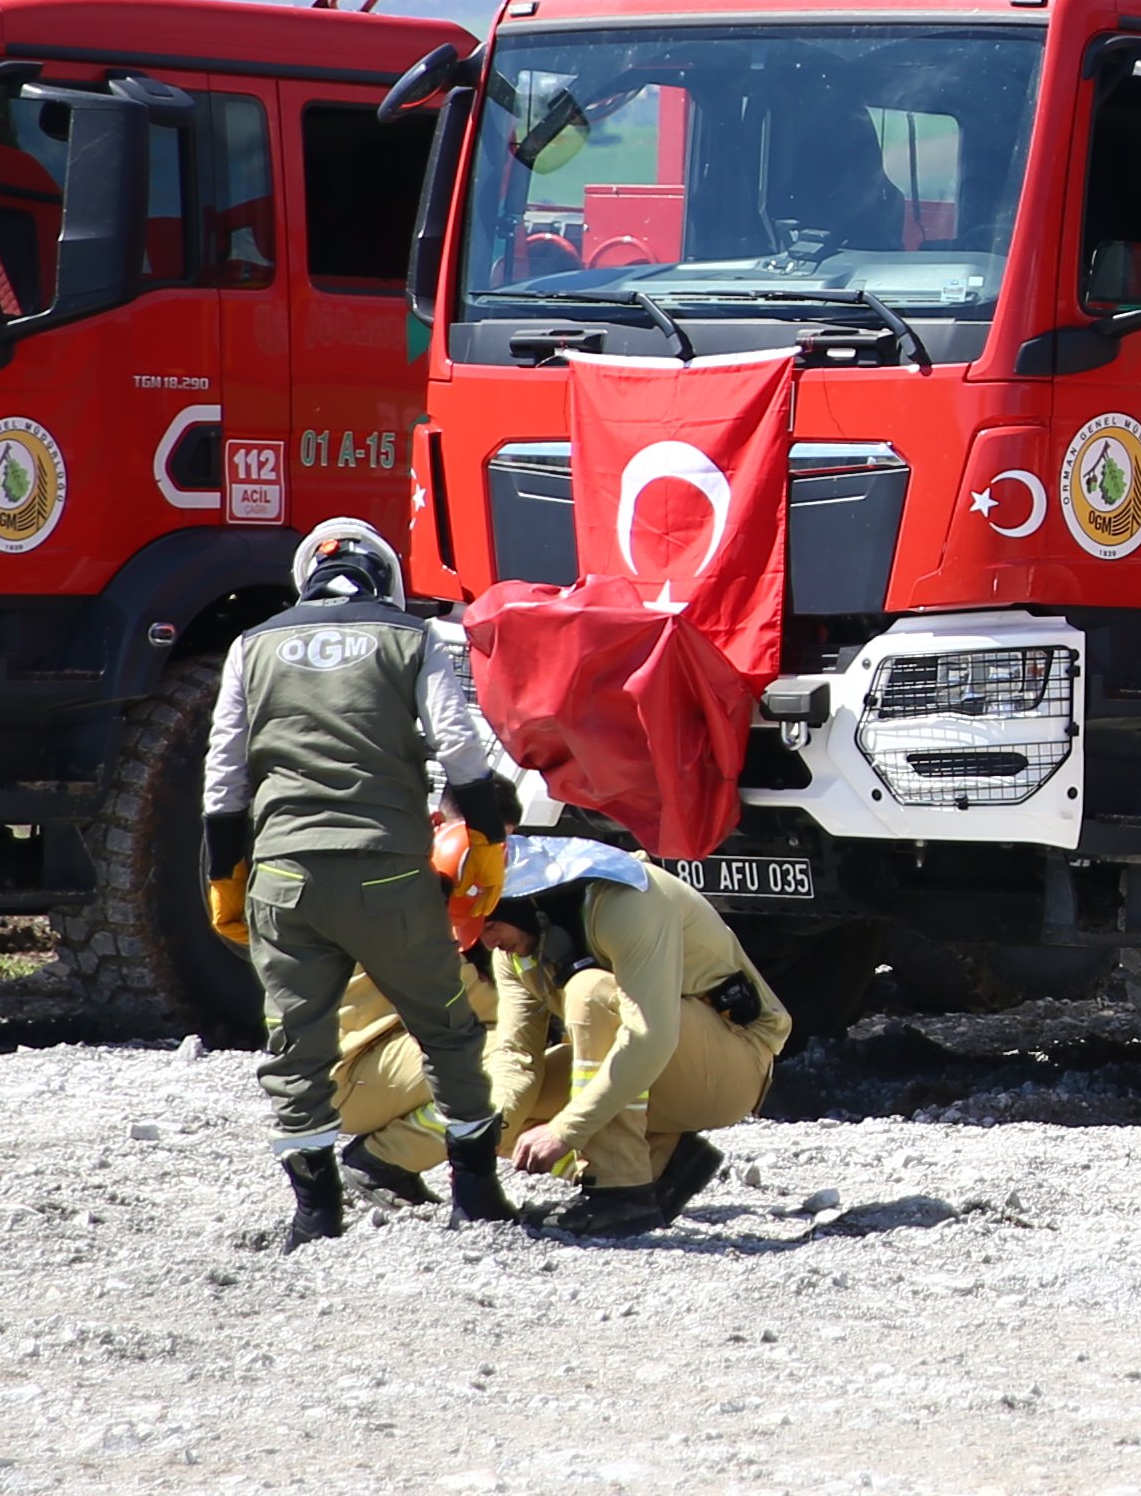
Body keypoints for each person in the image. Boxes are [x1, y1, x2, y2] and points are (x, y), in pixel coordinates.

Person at [205, 519, 514, 1245]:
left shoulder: (252, 646)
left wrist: (225, 877)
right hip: (390, 876)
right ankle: (475, 1197)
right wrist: (488, 841)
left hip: (284, 882)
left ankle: (315, 1214)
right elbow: (460, 747)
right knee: (448, 1031)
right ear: (385, 578)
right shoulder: (413, 639)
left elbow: (223, 781)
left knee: (297, 1050)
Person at [453, 779, 796, 1237]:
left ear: (523, 899)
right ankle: (662, 1164)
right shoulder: (515, 949)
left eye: (489, 924)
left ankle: (620, 1195)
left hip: (732, 1065)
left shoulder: (623, 900)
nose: (487, 942)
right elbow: (516, 1056)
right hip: (664, 1067)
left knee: (589, 993)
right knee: (491, 1115)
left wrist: (565, 1132)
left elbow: (649, 1036)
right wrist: (480, 1140)